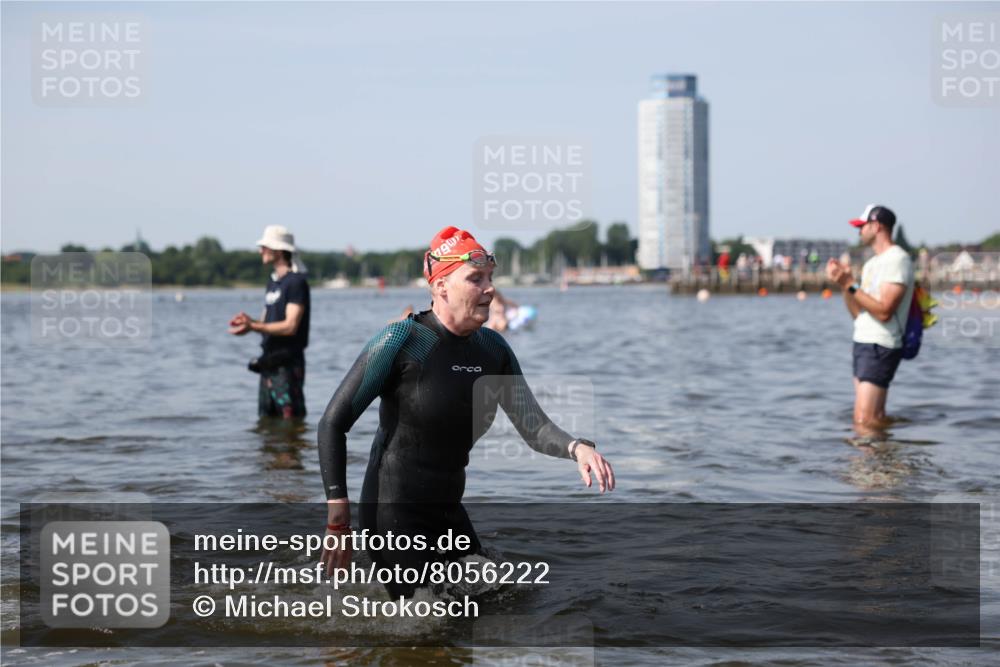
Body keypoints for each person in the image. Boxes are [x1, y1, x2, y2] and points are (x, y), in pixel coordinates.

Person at [317, 226, 614, 595]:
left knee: (497, 599)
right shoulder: (401, 342)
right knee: (427, 621)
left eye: (490, 277)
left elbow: (533, 426)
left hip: (448, 512)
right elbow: (332, 424)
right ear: (441, 286)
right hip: (394, 514)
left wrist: (577, 448)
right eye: (476, 279)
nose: (489, 289)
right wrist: (338, 520)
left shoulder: (492, 349)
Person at [826, 205, 914, 429]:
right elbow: (859, 314)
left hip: (880, 344)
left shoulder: (897, 259)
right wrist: (845, 284)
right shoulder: (872, 263)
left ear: (876, 227)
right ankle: (883, 450)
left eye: (862, 226)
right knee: (872, 419)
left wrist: (849, 284)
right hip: (864, 342)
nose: (859, 232)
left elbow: (884, 311)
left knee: (864, 422)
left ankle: (873, 453)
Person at [228, 226, 311, 419]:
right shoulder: (273, 282)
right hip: (268, 362)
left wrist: (254, 326)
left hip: (287, 364)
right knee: (266, 422)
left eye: (264, 247)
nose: (260, 251)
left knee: (291, 422)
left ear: (279, 250)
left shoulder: (296, 282)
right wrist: (248, 324)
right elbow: (266, 323)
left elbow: (290, 326)